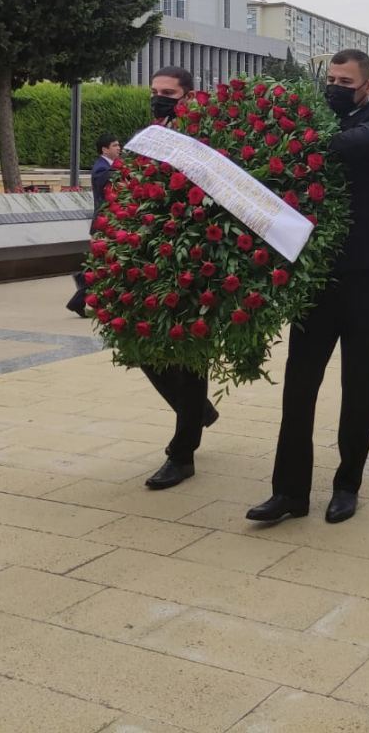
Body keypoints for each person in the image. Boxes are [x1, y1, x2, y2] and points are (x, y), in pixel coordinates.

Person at [249, 49, 369, 525]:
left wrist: (299, 130)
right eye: (331, 78)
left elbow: (356, 143)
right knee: (299, 385)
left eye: (345, 81)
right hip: (319, 275)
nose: (335, 86)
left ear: (368, 85)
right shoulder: (316, 121)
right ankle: (289, 492)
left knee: (359, 383)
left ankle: (347, 483)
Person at [138, 67, 219, 492]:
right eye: (154, 92)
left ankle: (182, 452)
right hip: (150, 257)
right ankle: (198, 411)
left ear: (188, 96)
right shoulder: (148, 136)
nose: (159, 98)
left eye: (167, 93)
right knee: (141, 346)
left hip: (197, 260)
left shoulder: (204, 138)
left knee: (189, 357)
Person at [66, 134, 123, 316]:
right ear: (104, 149)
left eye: (118, 145)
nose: (119, 148)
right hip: (104, 223)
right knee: (104, 265)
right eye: (115, 145)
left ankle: (82, 282)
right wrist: (120, 171)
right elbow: (104, 184)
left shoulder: (109, 166)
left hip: (111, 222)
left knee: (105, 265)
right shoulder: (101, 168)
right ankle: (80, 293)